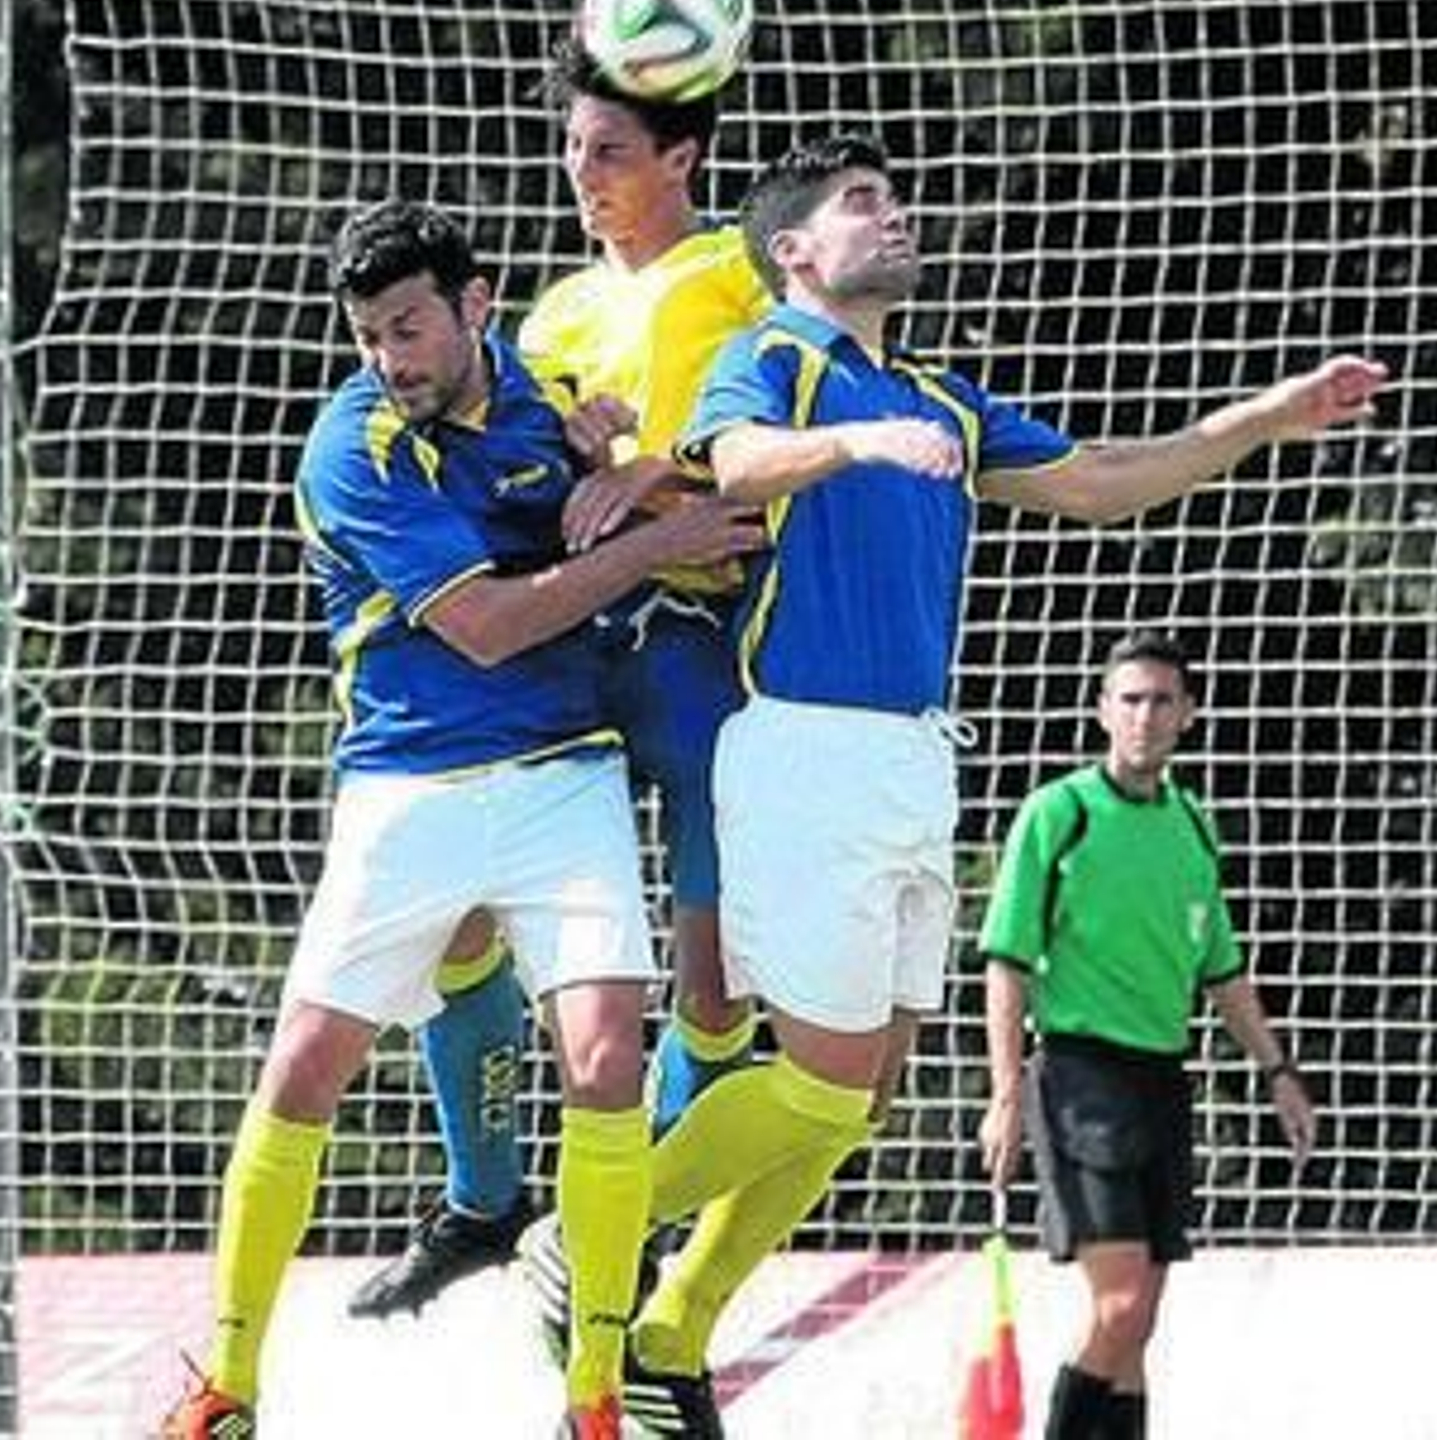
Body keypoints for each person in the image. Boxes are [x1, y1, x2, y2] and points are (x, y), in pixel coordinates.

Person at [519, 131, 1379, 1433]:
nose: (895, 215)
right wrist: (858, 445)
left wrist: (1271, 417)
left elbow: (1103, 484)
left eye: (895, 199)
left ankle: (673, 1331)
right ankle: (588, 1225)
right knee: (816, 1078)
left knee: (855, 1098)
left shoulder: (942, 397)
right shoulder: (783, 356)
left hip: (913, 762)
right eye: (864, 204)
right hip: (803, 748)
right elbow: (734, 461)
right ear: (796, 250)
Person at [160, 199, 762, 1440]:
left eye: (412, 327)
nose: (394, 358)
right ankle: (227, 1385)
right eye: (373, 335)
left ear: (475, 305)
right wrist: (654, 548)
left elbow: (697, 525)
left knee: (603, 1056)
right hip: (407, 784)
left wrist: (635, 474)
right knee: (304, 1064)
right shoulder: (352, 447)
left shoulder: (551, 403)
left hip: (565, 775)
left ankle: (593, 1393)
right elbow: (486, 624)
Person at [347, 36, 772, 1323]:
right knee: (460, 926)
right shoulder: (550, 318)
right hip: (573, 658)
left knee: (710, 986)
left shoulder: (748, 277)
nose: (581, 174)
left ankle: (623, 1229)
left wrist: (664, 465)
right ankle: (485, 1201)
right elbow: (524, 478)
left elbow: (778, 462)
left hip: (709, 649)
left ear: (681, 157)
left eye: (610, 151)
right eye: (573, 149)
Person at [978, 631, 1319, 1440]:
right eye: (1130, 699)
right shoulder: (1059, 815)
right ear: (1103, 711)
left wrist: (1277, 1071)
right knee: (1121, 1305)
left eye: (1163, 700)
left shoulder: (1194, 826)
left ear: (1188, 715)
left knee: (1140, 1326)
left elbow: (1223, 972)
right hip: (1080, 1079)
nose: (1146, 716)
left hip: (1164, 1082)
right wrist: (1004, 1093)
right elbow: (1006, 961)